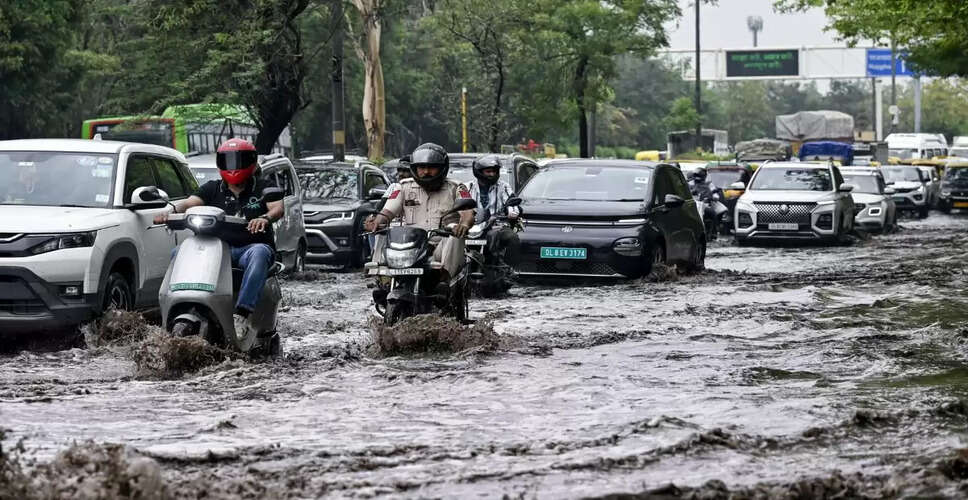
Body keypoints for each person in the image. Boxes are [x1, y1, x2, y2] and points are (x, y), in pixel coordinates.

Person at [153, 138, 284, 336]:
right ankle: (172, 307)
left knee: (259, 252)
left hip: (249, 248)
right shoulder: (212, 188)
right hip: (216, 249)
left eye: (239, 160)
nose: (233, 166)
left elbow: (277, 208)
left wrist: (265, 218)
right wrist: (169, 212)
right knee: (179, 252)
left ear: (252, 162)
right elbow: (188, 203)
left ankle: (242, 314)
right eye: (228, 161)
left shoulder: (263, 186)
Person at [364, 143, 475, 281]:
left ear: (442, 168)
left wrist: (463, 225)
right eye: (421, 167)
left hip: (440, 248)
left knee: (454, 229)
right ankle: (382, 278)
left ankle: (444, 280)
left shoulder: (457, 187)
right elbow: (388, 211)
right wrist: (377, 222)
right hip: (409, 247)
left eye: (432, 168)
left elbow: (468, 213)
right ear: (415, 169)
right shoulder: (403, 187)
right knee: (381, 231)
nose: (426, 172)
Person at [467, 155, 521, 266]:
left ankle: (509, 271)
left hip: (496, 227)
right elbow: (459, 203)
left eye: (495, 171)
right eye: (488, 171)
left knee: (512, 238)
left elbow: (511, 201)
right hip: (470, 227)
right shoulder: (467, 187)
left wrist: (512, 211)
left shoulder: (504, 187)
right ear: (478, 172)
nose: (492, 174)